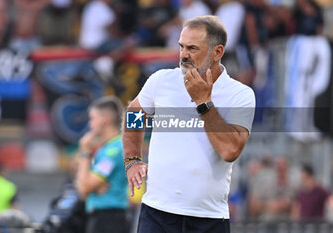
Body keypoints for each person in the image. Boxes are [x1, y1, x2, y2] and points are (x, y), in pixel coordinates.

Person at [123, 15, 255, 233]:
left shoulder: (240, 94)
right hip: (156, 213)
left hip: (208, 218)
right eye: (181, 46)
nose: (184, 55)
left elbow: (230, 150)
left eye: (192, 48)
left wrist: (203, 102)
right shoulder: (161, 80)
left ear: (217, 52)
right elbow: (134, 112)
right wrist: (132, 160)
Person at [76, 96, 128, 233]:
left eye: (93, 118)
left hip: (109, 219)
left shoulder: (114, 150)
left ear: (105, 120)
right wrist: (93, 186)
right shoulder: (105, 148)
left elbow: (83, 187)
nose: (90, 124)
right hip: (103, 217)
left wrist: (85, 152)